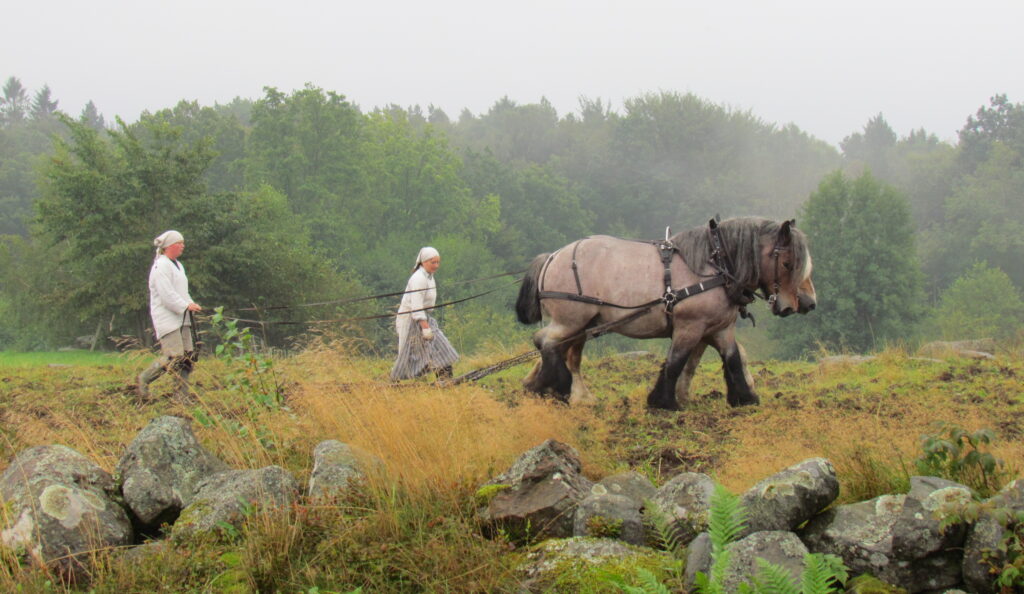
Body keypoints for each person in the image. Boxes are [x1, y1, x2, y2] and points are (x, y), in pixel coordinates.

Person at [136, 230, 202, 402]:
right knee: (173, 356)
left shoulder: (179, 266)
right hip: (168, 318)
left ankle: (181, 396)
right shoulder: (160, 266)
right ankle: (144, 379)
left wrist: (191, 304)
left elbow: (181, 292)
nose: (183, 246)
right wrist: (185, 305)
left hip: (182, 318)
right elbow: (166, 295)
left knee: (187, 356)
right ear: (169, 246)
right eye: (179, 243)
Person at [390, 246, 459, 381]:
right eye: (433, 262)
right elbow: (416, 307)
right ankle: (395, 379)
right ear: (424, 262)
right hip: (412, 320)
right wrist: (425, 327)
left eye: (438, 262)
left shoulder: (428, 277)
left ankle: (445, 379)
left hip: (424, 318)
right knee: (409, 354)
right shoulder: (418, 278)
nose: (436, 266)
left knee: (440, 346)